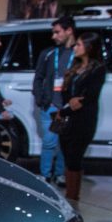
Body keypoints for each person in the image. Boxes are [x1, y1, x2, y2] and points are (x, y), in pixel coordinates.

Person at [55, 32, 106, 202]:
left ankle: (72, 197)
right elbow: (66, 93)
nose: (74, 47)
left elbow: (88, 97)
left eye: (78, 44)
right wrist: (68, 104)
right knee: (67, 156)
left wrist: (69, 106)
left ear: (89, 47)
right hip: (68, 118)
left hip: (83, 120)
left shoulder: (98, 69)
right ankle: (70, 195)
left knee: (74, 158)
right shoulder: (75, 67)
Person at [32, 15, 75, 186]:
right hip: (50, 105)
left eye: (57, 32)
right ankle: (45, 175)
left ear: (69, 31)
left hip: (67, 107)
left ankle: (60, 174)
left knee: (64, 144)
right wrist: (41, 99)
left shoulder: (78, 54)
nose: (53, 36)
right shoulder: (48, 53)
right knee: (49, 142)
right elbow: (38, 78)